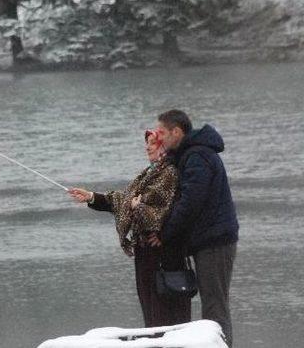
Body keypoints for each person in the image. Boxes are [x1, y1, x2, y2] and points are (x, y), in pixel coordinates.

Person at [68, 130, 191, 327]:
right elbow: (123, 200)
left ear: (164, 146)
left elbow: (166, 212)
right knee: (149, 307)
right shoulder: (148, 173)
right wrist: (91, 196)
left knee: (165, 310)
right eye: (147, 143)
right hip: (145, 251)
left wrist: (139, 207)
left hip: (162, 253)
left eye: (152, 143)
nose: (147, 147)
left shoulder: (169, 172)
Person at [148, 109, 239, 347]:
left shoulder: (197, 157)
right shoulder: (187, 155)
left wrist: (164, 234)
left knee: (214, 306)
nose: (160, 139)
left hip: (215, 240)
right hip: (208, 239)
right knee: (214, 303)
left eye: (162, 133)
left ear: (177, 132)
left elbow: (189, 203)